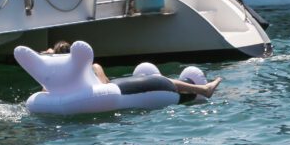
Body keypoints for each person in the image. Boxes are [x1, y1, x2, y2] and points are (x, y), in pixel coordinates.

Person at [47, 41, 221, 99]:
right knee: (159, 80)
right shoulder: (91, 67)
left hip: (112, 92)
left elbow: (103, 86)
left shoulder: (59, 77)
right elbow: (103, 84)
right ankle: (200, 89)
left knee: (158, 81)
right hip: (111, 92)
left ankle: (200, 90)